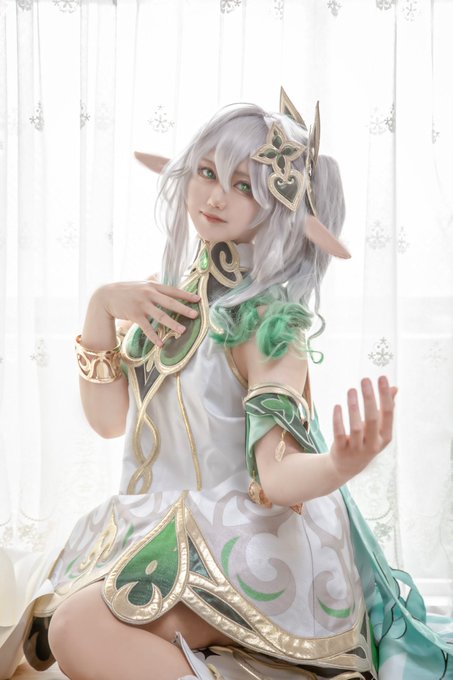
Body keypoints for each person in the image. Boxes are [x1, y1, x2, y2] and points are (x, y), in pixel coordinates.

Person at [2, 89, 452, 680]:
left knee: (75, 628)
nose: (216, 196)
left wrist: (340, 464)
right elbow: (110, 422)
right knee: (53, 630)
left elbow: (277, 478)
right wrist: (101, 307)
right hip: (163, 526)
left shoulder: (267, 322)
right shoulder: (165, 294)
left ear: (278, 207)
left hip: (250, 538)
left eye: (244, 185)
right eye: (208, 172)